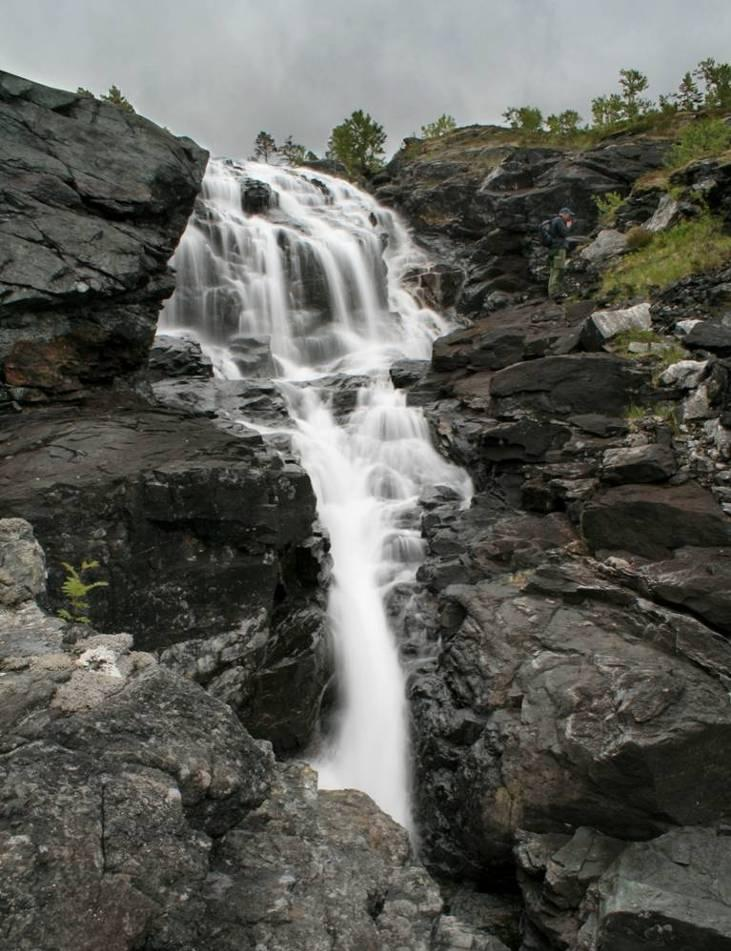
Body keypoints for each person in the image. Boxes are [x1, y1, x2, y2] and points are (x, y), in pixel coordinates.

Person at [547, 207, 575, 300]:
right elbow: (565, 233)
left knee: (554, 270)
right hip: (559, 248)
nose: (569, 217)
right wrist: (569, 225)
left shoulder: (553, 221)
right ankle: (555, 293)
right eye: (569, 215)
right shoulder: (559, 221)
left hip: (553, 248)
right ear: (564, 213)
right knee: (558, 269)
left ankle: (552, 292)